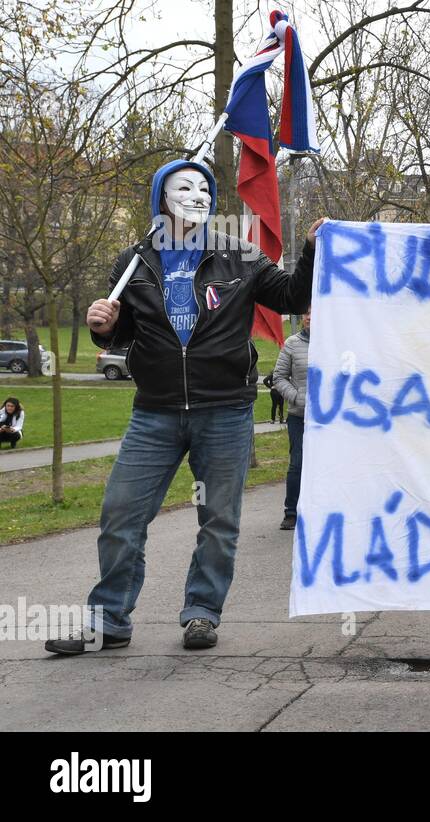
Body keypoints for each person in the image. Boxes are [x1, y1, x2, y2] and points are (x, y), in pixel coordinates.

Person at [44, 157, 326, 655]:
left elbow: (289, 296)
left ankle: (201, 613)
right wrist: (102, 326)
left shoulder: (240, 255)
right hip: (154, 411)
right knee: (120, 515)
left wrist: (309, 251)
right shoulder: (135, 260)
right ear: (160, 198)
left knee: (218, 520)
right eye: (183, 187)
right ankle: (109, 618)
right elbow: (121, 332)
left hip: (225, 412)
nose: (196, 195)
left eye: (204, 189)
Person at [272, 307, 310, 531]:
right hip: (300, 416)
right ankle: (291, 512)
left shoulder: (333, 343)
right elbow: (279, 376)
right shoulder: (292, 344)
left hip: (328, 419)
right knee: (298, 461)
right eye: (307, 315)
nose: (309, 319)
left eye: (315, 314)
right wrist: (296, 397)